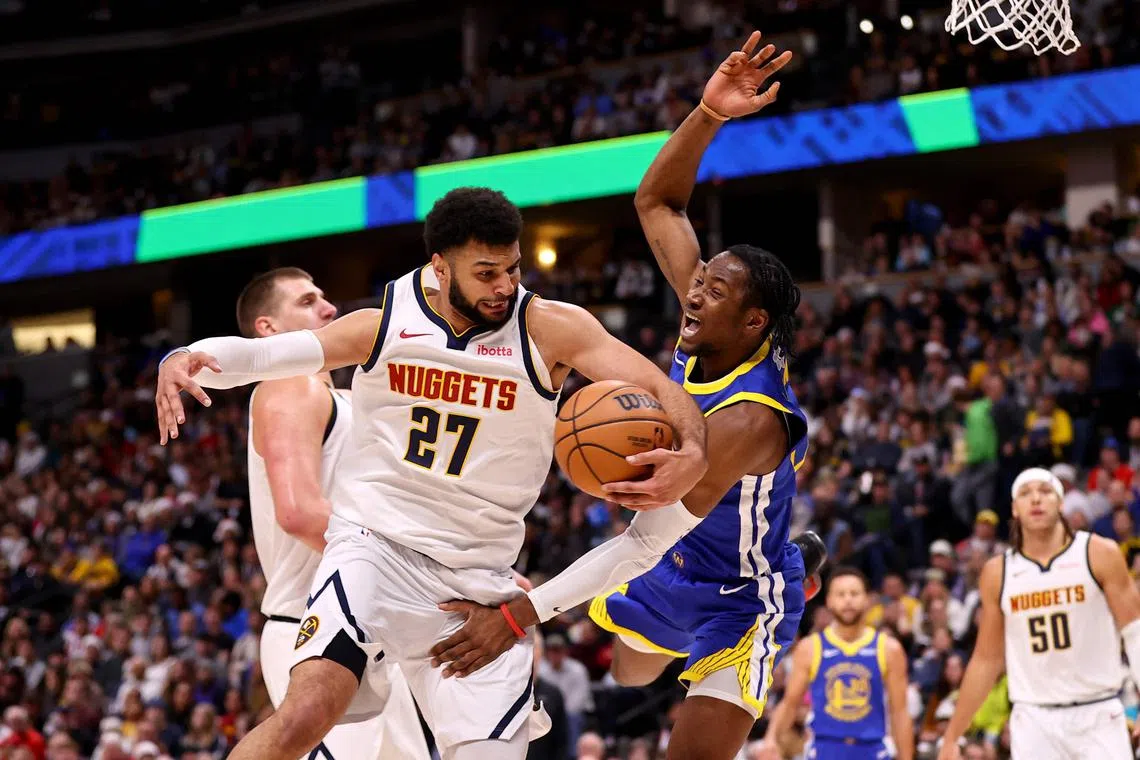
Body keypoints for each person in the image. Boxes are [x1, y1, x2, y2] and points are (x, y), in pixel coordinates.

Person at [155, 186, 710, 760]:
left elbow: (662, 389)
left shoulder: (550, 328)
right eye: (486, 273)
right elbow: (269, 355)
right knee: (304, 715)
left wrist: (692, 450)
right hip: (376, 552)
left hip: (477, 580)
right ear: (441, 268)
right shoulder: (385, 324)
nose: (504, 286)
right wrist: (185, 356)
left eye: (513, 269)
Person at [427, 33, 825, 760]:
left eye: (714, 291)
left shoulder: (749, 419)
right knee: (630, 669)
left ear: (754, 322)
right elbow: (658, 201)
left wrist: (519, 616)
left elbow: (643, 539)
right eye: (698, 281)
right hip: (673, 568)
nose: (693, 294)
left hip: (738, 594)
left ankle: (792, 571)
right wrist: (709, 112)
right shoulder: (711, 328)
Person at [236, 267, 430, 759]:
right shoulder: (289, 385)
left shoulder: (350, 399)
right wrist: (428, 571)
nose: (329, 308)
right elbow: (300, 513)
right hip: (316, 625)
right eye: (306, 301)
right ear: (268, 329)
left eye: (324, 297)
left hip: (374, 627)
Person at [938, 467, 1140, 760]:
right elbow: (986, 659)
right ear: (1014, 509)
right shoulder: (998, 572)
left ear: (1061, 502)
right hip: (1034, 720)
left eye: (1045, 491)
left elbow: (1134, 632)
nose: (1035, 499)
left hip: (1098, 711)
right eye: (1025, 493)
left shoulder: (1098, 553)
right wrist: (952, 735)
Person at [758, 567, 914, 760]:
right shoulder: (810, 647)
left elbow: (900, 712)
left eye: (854, 593)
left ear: (867, 599)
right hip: (824, 749)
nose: (848, 600)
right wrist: (771, 739)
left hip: (873, 750)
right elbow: (790, 703)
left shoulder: (889, 649)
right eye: (841, 594)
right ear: (829, 601)